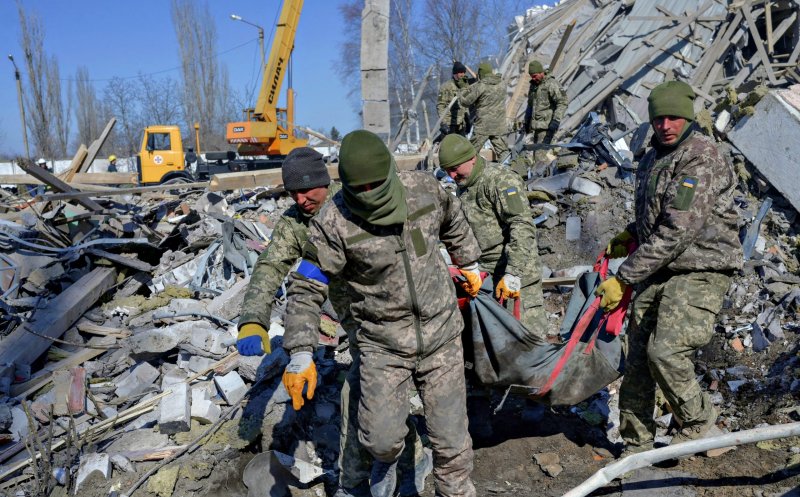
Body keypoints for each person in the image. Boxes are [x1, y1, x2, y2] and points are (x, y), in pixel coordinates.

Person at [281, 130, 482, 497]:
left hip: (441, 336)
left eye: (376, 185)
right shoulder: (334, 221)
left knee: (451, 441)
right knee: (381, 440)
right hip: (383, 345)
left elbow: (453, 217)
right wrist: (300, 351)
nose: (370, 194)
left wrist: (468, 260)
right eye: (361, 189)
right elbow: (307, 285)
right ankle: (386, 462)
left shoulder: (423, 189)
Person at [235, 147, 429, 497]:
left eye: (306, 190)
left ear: (324, 182)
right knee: (368, 394)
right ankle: (363, 478)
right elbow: (270, 266)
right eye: (292, 192)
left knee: (376, 395)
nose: (300, 199)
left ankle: (405, 466)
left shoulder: (354, 202)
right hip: (354, 323)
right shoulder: (296, 223)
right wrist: (253, 320)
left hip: (392, 313)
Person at [597, 81, 743, 454]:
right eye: (659, 119)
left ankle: (700, 424)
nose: (665, 125)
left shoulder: (700, 157)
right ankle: (636, 443)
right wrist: (631, 234)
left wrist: (624, 277)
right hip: (660, 267)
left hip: (701, 267)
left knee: (665, 351)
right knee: (638, 358)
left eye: (674, 117)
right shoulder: (652, 158)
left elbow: (679, 228)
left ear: (688, 117)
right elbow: (659, 215)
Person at [438, 133, 548, 338]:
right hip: (487, 277)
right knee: (497, 343)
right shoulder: (465, 185)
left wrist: (513, 273)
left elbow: (522, 225)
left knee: (527, 340)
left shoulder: (500, 180)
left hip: (516, 276)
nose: (452, 175)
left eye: (455, 168)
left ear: (471, 158)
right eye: (447, 171)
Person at [458, 62, 508, 160]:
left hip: (483, 127)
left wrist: (463, 87)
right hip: (499, 125)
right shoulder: (502, 84)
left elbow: (465, 101)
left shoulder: (481, 86)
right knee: (504, 153)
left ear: (481, 74)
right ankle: (511, 168)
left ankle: (469, 169)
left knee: (470, 153)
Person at [524, 60, 567, 164]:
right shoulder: (533, 86)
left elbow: (562, 102)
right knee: (537, 156)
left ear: (541, 72)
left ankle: (547, 174)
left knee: (540, 157)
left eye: (535, 76)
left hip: (547, 127)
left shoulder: (551, 84)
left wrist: (556, 121)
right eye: (531, 77)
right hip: (537, 127)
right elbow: (530, 105)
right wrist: (527, 120)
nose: (533, 79)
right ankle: (546, 172)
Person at [436, 61, 471, 138]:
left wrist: (468, 120)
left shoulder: (465, 86)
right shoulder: (446, 87)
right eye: (460, 72)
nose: (462, 74)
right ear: (455, 73)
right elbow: (440, 106)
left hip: (461, 124)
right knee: (448, 144)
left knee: (463, 144)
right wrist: (443, 123)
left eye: (463, 72)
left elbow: (466, 105)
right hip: (449, 124)